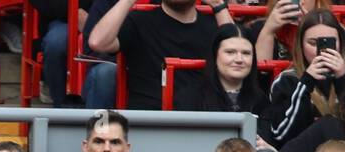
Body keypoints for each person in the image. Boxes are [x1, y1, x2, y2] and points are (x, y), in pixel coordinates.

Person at [86, 0, 236, 111]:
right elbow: (98, 42)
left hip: (200, 117)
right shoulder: (139, 20)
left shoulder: (212, 25)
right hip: (149, 118)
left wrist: (218, 5)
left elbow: (238, 54)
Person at [259, 10, 345, 152]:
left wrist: (342, 81)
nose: (321, 51)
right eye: (313, 43)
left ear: (341, 44)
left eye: (331, 42)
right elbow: (282, 134)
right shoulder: (287, 80)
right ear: (301, 46)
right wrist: (305, 83)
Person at [175, 25, 270, 122]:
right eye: (230, 52)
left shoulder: (261, 100)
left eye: (246, 53)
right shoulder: (190, 97)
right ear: (215, 55)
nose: (239, 59)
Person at [250, 0, 345, 65]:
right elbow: (260, 76)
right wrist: (268, 31)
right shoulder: (261, 28)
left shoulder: (337, 31)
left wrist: (314, 27)